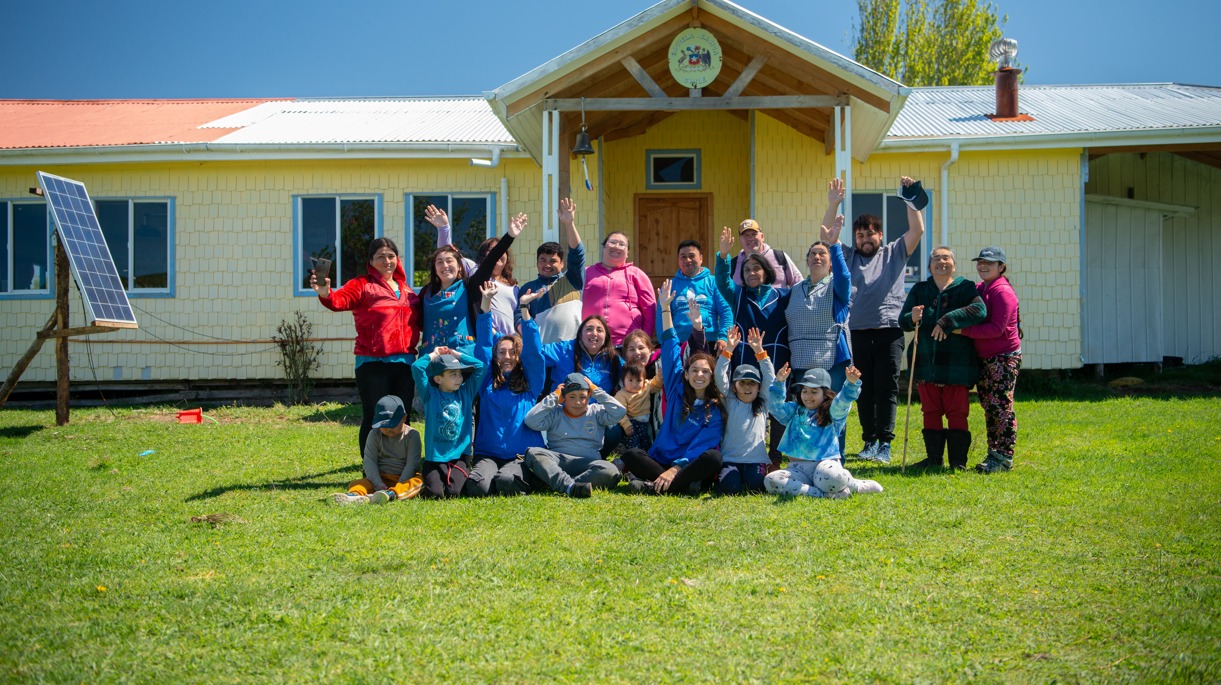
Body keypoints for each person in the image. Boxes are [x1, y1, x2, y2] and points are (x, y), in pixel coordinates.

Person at [832, 176, 927, 464]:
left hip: (890, 332)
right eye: (860, 235)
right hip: (857, 333)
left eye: (869, 234)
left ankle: (885, 444)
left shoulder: (894, 253)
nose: (864, 239)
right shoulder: (848, 257)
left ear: (880, 235)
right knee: (863, 390)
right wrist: (832, 204)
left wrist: (911, 199)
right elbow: (829, 238)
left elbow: (917, 229)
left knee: (886, 389)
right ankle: (869, 442)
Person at [313, 237, 422, 453]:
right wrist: (325, 293)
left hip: (405, 364)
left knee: (403, 415)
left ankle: (398, 465)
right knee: (375, 416)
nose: (387, 261)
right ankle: (370, 467)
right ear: (371, 261)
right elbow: (338, 301)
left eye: (391, 256)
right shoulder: (362, 285)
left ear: (397, 260)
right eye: (380, 256)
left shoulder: (407, 290)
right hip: (373, 364)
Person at [622, 279, 725, 495]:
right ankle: (683, 487)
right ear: (685, 374)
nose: (699, 375)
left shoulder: (714, 407)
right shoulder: (676, 388)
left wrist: (677, 468)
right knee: (632, 455)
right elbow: (669, 344)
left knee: (713, 458)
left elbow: (704, 443)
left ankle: (661, 486)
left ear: (712, 376)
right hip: (663, 461)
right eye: (695, 370)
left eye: (705, 371)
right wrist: (666, 308)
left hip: (689, 464)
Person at [899, 246, 988, 471]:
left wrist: (949, 320)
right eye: (936, 258)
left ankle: (958, 462)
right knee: (930, 411)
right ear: (929, 266)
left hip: (956, 363)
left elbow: (979, 311)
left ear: (953, 265)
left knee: (957, 411)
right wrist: (913, 316)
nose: (941, 262)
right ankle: (934, 460)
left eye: (946, 258)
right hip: (925, 360)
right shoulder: (921, 289)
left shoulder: (965, 288)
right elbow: (903, 321)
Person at [465, 283, 548, 497]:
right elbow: (483, 346)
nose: (507, 357)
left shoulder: (531, 383)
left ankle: (524, 476)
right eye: (501, 352)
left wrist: (524, 310)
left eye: (512, 352)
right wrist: (486, 303)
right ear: (495, 356)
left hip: (520, 454)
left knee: (507, 481)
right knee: (477, 487)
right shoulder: (486, 382)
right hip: (488, 453)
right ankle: (496, 476)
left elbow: (534, 354)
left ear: (519, 357)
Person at [783, 211, 853, 455]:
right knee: (805, 413)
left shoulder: (837, 287)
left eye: (822, 254)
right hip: (801, 362)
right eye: (813, 254)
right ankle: (806, 457)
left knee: (832, 412)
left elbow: (845, 276)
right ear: (807, 260)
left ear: (831, 260)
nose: (817, 257)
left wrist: (834, 244)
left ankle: (835, 458)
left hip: (830, 362)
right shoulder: (794, 290)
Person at [765, 365, 883, 498]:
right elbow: (776, 407)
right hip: (797, 470)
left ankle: (854, 485)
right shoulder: (794, 411)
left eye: (814, 392)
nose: (808, 396)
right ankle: (822, 494)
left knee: (831, 476)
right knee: (771, 480)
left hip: (825, 467)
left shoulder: (832, 413)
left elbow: (842, 403)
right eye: (804, 391)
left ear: (825, 394)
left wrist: (850, 384)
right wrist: (779, 382)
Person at [417, 208, 523, 355]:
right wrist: (443, 229)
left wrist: (510, 236)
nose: (445, 265)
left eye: (449, 261)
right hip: (432, 358)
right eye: (439, 262)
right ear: (434, 268)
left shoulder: (470, 287)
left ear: (460, 267)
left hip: (464, 357)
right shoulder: (426, 294)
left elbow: (491, 259)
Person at [960, 247, 1022, 473]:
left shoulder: (1002, 292)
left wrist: (962, 331)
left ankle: (1004, 458)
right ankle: (993, 454)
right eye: (980, 262)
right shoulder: (982, 288)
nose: (983, 266)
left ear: (1001, 267)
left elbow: (997, 329)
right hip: (986, 358)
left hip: (1004, 358)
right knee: (989, 405)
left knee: (1001, 407)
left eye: (989, 263)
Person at [523, 374, 626, 498]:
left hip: (588, 463)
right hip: (558, 460)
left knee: (610, 470)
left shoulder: (596, 412)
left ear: (589, 396)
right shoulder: (555, 412)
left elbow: (620, 411)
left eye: (582, 397)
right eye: (572, 397)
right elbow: (531, 420)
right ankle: (570, 486)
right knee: (533, 452)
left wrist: (596, 391)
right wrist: (554, 396)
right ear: (564, 397)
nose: (578, 402)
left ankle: (562, 484)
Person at [410, 346, 486, 498]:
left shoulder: (466, 392)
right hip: (435, 457)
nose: (459, 378)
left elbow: (480, 367)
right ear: (438, 379)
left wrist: (456, 354)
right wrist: (435, 354)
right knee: (435, 494)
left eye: (460, 374)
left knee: (454, 492)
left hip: (459, 457)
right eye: (453, 374)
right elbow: (417, 367)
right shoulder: (430, 395)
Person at [714, 326, 775, 494]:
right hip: (730, 459)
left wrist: (759, 351)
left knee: (756, 487)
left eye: (752, 383)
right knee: (730, 488)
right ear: (734, 387)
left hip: (756, 460)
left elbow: (770, 377)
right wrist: (729, 349)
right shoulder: (729, 400)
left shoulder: (762, 403)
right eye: (742, 383)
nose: (747, 387)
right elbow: (720, 375)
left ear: (758, 387)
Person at [332, 395, 423, 505]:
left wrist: (400, 483)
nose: (388, 429)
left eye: (392, 425)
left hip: (403, 478)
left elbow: (412, 464)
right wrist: (377, 483)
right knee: (358, 483)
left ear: (404, 418)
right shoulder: (374, 434)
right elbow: (369, 461)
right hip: (381, 477)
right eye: (384, 425)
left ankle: (392, 494)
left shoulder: (412, 435)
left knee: (419, 482)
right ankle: (354, 496)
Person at [520, 197, 585, 345]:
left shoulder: (573, 279)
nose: (547, 265)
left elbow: (578, 254)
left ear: (562, 263)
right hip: (542, 353)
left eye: (553, 261)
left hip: (572, 350)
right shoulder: (527, 289)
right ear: (537, 263)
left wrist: (569, 224)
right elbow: (519, 316)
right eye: (543, 260)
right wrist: (531, 340)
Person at [583, 231, 656, 346]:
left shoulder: (636, 274)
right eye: (612, 242)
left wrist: (645, 340)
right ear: (603, 247)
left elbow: (649, 309)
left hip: (627, 344)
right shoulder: (586, 272)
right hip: (592, 342)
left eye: (622, 244)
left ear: (627, 253)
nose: (616, 246)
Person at [661, 239, 733, 354]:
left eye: (691, 256)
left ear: (701, 258)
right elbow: (662, 316)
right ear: (678, 260)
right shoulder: (669, 286)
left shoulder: (714, 282)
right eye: (683, 257)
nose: (687, 260)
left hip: (710, 342)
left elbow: (726, 311)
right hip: (678, 343)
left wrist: (723, 337)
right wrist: (663, 342)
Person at [728, 219, 804, 289]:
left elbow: (799, 285)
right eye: (746, 235)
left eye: (754, 234)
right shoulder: (733, 264)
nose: (750, 238)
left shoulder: (779, 257)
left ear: (762, 236)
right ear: (740, 240)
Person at [613, 362, 663, 454]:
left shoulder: (646, 387)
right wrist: (626, 424)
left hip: (645, 424)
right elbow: (618, 411)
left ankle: (644, 463)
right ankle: (629, 463)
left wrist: (659, 377)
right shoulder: (622, 394)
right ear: (623, 380)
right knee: (633, 446)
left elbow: (655, 385)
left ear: (644, 380)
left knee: (646, 444)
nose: (634, 384)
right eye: (630, 380)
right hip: (632, 423)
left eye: (638, 380)